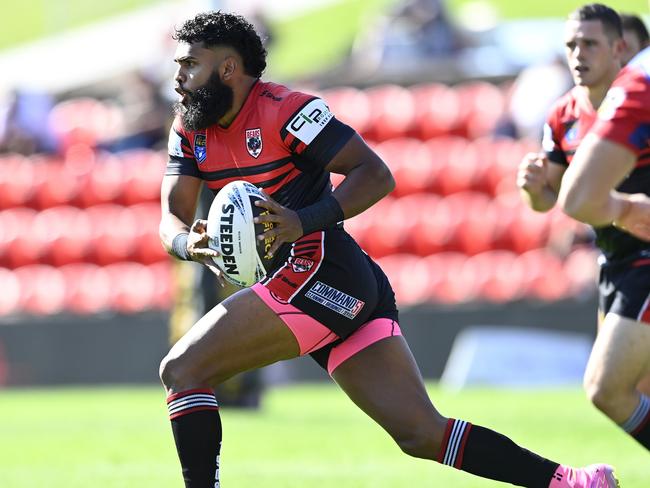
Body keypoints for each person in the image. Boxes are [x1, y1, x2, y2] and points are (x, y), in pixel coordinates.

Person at [159, 11, 618, 488]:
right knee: (420, 433)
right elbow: (170, 216)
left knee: (184, 368)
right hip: (327, 285)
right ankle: (575, 482)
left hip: (320, 272)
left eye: (189, 64)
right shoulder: (189, 127)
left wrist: (300, 222)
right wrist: (187, 243)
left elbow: (375, 174)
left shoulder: (286, 111)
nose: (178, 77)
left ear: (229, 69)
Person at [518, 3, 650, 453]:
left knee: (605, 388)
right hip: (615, 263)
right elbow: (551, 201)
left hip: (646, 260)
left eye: (589, 44)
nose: (578, 54)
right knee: (639, 391)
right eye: (571, 45)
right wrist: (533, 189)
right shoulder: (561, 117)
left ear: (619, 49)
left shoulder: (638, 102)